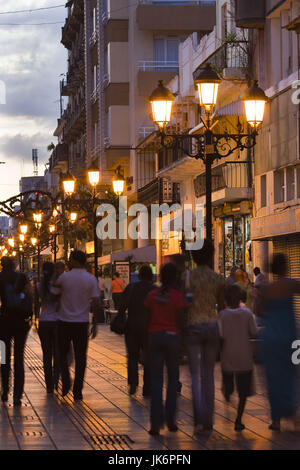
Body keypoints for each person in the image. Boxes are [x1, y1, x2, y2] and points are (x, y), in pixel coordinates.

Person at [186, 240, 225, 434]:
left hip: (193, 326)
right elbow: (222, 306)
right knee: (208, 374)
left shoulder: (188, 278)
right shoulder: (217, 278)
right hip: (212, 326)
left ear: (193, 257)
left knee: (194, 374)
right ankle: (209, 419)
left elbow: (185, 304)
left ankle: (198, 417)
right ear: (210, 256)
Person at [52, 250, 100, 401]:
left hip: (64, 322)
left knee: (61, 354)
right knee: (81, 358)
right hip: (81, 323)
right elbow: (96, 302)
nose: (68, 261)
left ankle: (66, 379)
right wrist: (95, 323)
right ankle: (78, 390)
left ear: (74, 260)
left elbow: (53, 292)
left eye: (70, 259)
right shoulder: (91, 279)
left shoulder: (64, 277)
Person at [260, 253, 300, 431]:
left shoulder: (267, 289)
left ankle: (276, 420)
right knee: (293, 375)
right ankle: (294, 414)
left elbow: (259, 311)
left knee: (273, 378)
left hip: (270, 339)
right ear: (284, 267)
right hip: (291, 339)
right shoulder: (291, 284)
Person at [145, 263, 185, 436]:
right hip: (172, 338)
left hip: (155, 338)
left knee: (156, 381)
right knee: (172, 380)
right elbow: (181, 321)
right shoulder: (177, 296)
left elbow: (147, 320)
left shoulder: (152, 295)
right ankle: (171, 420)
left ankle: (155, 424)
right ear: (175, 278)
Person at [218, 285, 257, 431]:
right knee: (243, 392)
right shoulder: (247, 313)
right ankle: (238, 420)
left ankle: (228, 393)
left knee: (228, 384)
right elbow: (253, 332)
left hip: (228, 356)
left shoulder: (222, 315)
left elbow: (220, 335)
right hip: (244, 357)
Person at [0, 257, 32, 406]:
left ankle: (5, 391)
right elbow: (30, 295)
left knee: (3, 358)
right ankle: (17, 395)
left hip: (3, 322)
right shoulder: (22, 276)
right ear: (14, 265)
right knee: (19, 357)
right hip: (21, 322)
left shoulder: (0, 277)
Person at [119, 265, 155, 397]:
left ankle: (133, 383)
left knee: (132, 356)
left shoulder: (131, 288)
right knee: (149, 356)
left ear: (139, 276)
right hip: (149, 327)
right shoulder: (154, 289)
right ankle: (148, 386)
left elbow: (122, 306)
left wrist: (120, 319)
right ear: (151, 276)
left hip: (132, 326)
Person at [37, 262, 60, 393]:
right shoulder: (57, 285)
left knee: (46, 355)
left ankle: (49, 385)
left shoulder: (39, 285)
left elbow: (36, 303)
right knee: (57, 353)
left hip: (44, 321)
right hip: (56, 321)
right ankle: (56, 378)